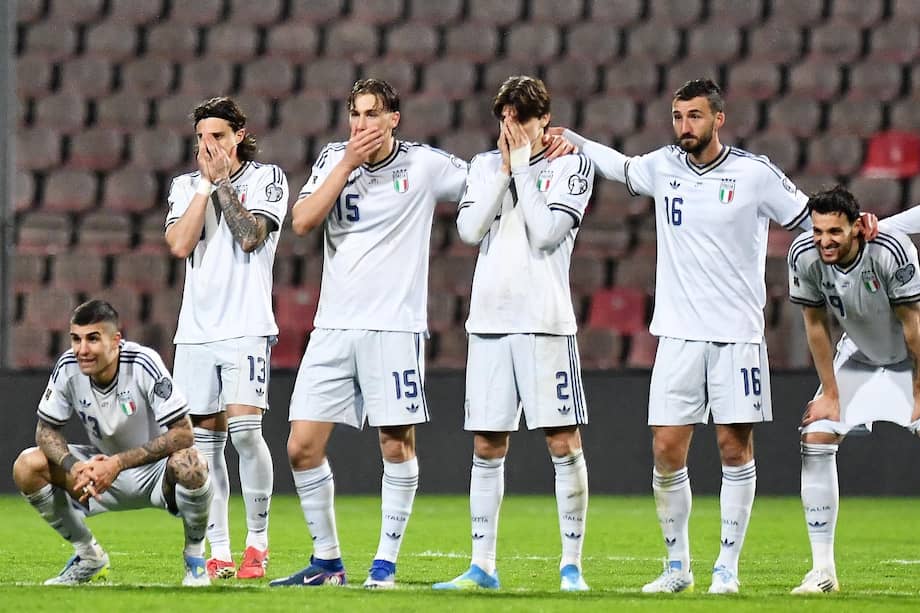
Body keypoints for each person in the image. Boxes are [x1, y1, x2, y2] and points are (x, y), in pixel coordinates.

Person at [549, 79, 823, 594]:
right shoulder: (664, 165)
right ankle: (678, 568)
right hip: (676, 336)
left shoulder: (754, 173)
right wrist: (577, 141)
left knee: (734, 447)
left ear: (719, 118)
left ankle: (727, 567)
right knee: (666, 449)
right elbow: (621, 166)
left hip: (737, 335)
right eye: (677, 117)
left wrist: (858, 229)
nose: (683, 127)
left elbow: (810, 220)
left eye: (694, 117)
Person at [269, 79, 468, 589]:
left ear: (394, 119)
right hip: (333, 327)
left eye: (372, 114)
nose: (361, 125)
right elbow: (301, 221)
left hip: (394, 329)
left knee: (396, 442)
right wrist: (344, 166)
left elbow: (482, 183)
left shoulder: (424, 165)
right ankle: (328, 562)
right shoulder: (334, 159)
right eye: (355, 115)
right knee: (300, 447)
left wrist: (527, 153)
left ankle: (385, 563)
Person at [432, 76, 593, 593]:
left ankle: (571, 565)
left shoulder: (572, 165)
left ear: (544, 119)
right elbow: (469, 230)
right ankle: (482, 565)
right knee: (486, 444)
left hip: (545, 320)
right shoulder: (483, 166)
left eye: (522, 117)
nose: (511, 126)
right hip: (490, 320)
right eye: (505, 116)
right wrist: (506, 169)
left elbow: (547, 234)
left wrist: (522, 166)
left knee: (562, 441)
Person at [165, 96, 288, 579]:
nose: (208, 145)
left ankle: (257, 541)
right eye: (201, 137)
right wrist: (204, 188)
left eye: (217, 135)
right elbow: (178, 245)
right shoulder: (183, 186)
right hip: (196, 332)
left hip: (246, 325)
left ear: (239, 135)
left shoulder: (267, 179)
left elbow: (250, 236)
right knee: (205, 447)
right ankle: (219, 550)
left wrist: (222, 186)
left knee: (246, 432)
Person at [12, 300, 213, 586]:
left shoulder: (143, 363)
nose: (82, 350)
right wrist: (74, 465)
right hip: (97, 473)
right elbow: (46, 431)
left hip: (154, 474)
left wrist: (117, 463)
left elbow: (183, 433)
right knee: (27, 465)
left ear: (115, 340)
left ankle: (195, 559)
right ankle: (88, 556)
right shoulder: (68, 366)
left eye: (93, 338)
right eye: (76, 339)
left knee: (192, 464)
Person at [787, 186, 920, 594]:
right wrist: (830, 392)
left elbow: (914, 325)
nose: (825, 240)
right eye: (818, 230)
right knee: (817, 435)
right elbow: (815, 324)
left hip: (909, 359)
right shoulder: (804, 256)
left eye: (835, 232)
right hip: (860, 356)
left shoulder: (889, 252)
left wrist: (918, 391)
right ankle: (823, 572)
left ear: (857, 228)